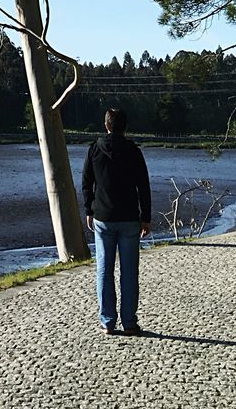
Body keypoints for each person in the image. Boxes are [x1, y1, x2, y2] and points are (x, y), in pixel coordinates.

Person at [81, 106, 151, 336]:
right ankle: (129, 322)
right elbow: (143, 185)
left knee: (104, 269)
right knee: (129, 272)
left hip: (103, 217)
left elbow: (86, 182)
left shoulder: (94, 149)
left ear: (106, 124)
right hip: (130, 217)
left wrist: (89, 209)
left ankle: (107, 321)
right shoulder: (133, 151)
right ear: (125, 127)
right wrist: (146, 217)